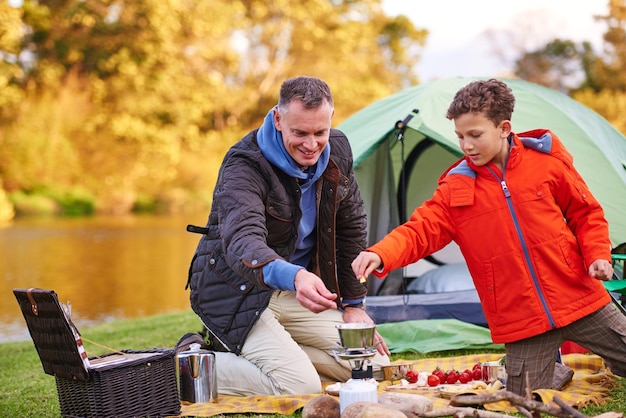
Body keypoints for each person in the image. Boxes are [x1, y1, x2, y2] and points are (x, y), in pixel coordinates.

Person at [351, 78, 626, 396]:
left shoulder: (546, 164)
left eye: (475, 135)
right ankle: (550, 372)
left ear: (504, 128)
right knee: (523, 398)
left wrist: (598, 255)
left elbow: (586, 213)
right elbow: (419, 231)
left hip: (578, 296)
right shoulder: (457, 188)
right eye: (460, 136)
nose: (466, 145)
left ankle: (560, 367)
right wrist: (381, 253)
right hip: (521, 315)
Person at [183, 76, 390, 396]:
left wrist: (353, 304)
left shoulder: (339, 151)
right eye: (300, 133)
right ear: (279, 120)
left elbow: (350, 227)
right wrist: (295, 277)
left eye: (320, 132)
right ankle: (186, 363)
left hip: (294, 291)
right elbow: (242, 240)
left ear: (330, 120)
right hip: (237, 292)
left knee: (372, 364)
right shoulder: (244, 164)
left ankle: (277, 356)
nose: (311, 144)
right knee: (300, 385)